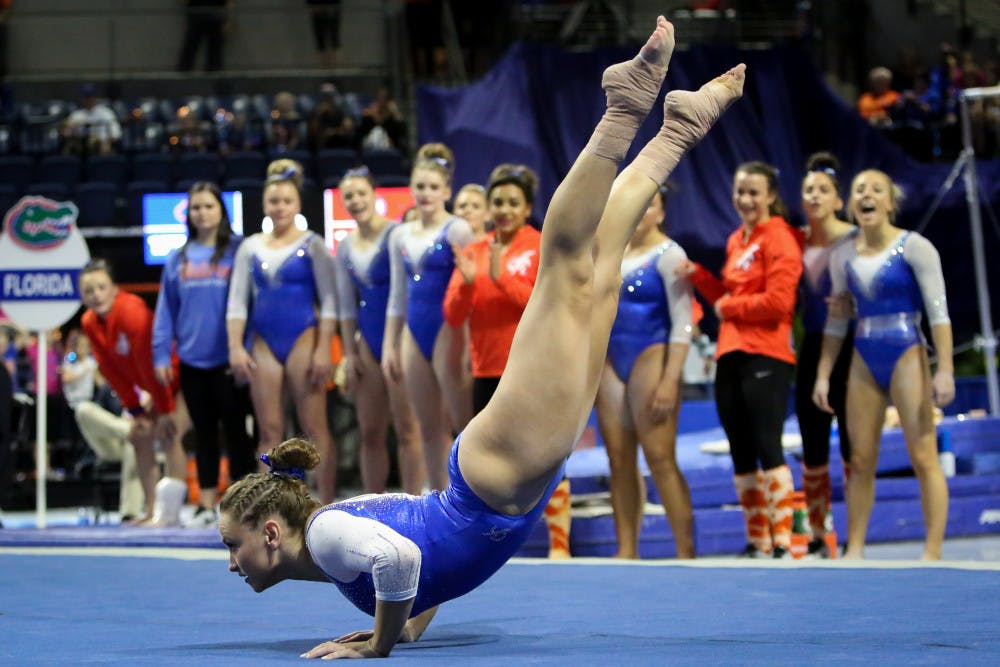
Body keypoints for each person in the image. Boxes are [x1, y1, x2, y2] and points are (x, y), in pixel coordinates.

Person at [219, 17, 746, 658]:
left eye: (232, 544)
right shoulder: (335, 549)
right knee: (599, 270)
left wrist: (381, 644)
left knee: (566, 267)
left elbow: (404, 564)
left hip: (492, 483)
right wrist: (405, 623)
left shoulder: (328, 537)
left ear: (270, 533)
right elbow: (421, 566)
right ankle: (680, 128)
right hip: (496, 489)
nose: (230, 561)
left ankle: (623, 109)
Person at [812, 169, 953, 561]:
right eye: (859, 190)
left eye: (876, 190)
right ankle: (854, 549)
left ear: (890, 203)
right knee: (859, 459)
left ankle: (933, 552)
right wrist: (823, 374)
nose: (867, 195)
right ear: (852, 203)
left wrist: (944, 369)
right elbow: (838, 318)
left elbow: (938, 313)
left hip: (907, 348)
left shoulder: (916, 248)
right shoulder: (842, 255)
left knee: (922, 454)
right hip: (863, 351)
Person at [443, 164, 571, 558]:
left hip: (531, 370)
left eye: (513, 203)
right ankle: (488, 546)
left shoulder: (540, 245)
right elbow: (452, 315)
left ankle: (560, 544)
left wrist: (500, 278)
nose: (504, 209)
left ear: (528, 206)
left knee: (545, 455)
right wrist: (466, 285)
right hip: (487, 369)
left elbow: (544, 303)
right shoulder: (474, 251)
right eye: (497, 202)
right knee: (487, 463)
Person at [681, 161, 803, 559]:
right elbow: (726, 302)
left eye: (754, 192)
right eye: (740, 192)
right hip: (730, 353)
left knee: (767, 444)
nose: (745, 200)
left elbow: (780, 303)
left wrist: (732, 308)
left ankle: (783, 541)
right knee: (739, 448)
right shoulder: (737, 240)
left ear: (770, 196)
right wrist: (699, 276)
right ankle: (757, 540)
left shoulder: (780, 237)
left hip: (767, 352)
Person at [226, 159, 339, 503]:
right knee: (269, 429)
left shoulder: (314, 245)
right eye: (274, 202)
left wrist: (324, 349)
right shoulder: (250, 247)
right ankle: (267, 504)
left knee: (313, 427)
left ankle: (324, 499)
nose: (280, 208)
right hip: (263, 341)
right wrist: (235, 347)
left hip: (304, 336)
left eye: (286, 201)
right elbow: (237, 303)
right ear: (264, 205)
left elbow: (331, 300)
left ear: (297, 204)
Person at [594, 183, 695, 559]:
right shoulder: (608, 254)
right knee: (618, 459)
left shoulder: (671, 256)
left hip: (652, 353)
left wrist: (671, 379)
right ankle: (626, 549)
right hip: (611, 359)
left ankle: (686, 551)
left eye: (649, 205)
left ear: (662, 212)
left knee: (659, 456)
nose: (641, 212)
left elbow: (684, 322)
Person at [153, 182, 257, 528]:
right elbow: (165, 312)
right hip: (191, 359)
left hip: (229, 358)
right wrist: (160, 356)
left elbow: (252, 303)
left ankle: (242, 500)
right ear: (189, 214)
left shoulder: (239, 251)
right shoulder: (177, 258)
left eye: (208, 206)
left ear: (221, 210)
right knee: (203, 431)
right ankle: (207, 502)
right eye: (196, 207)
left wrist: (247, 345)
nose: (202, 213)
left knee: (237, 430)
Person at [384, 143, 475, 490]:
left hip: (448, 328)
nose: (426, 194)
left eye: (433, 187)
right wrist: (390, 345)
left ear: (447, 191)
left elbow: (468, 292)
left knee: (461, 423)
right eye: (420, 186)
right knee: (427, 426)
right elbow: (397, 294)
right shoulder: (400, 234)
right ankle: (437, 495)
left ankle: (468, 495)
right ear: (411, 188)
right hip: (412, 330)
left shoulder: (458, 230)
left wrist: (467, 345)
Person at [331, 167, 425, 495]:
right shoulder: (344, 248)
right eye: (349, 197)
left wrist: (394, 344)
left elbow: (401, 295)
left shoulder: (397, 235)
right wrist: (349, 352)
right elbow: (345, 306)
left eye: (361, 194)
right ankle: (374, 501)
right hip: (367, 343)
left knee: (407, 428)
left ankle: (413, 502)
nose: (356, 201)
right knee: (369, 431)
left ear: (374, 195)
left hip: (399, 339)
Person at [79, 260, 190, 525]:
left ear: (114, 288)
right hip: (152, 386)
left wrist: (163, 409)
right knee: (139, 436)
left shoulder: (131, 312)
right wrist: (135, 410)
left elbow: (149, 363)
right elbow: (110, 370)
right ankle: (151, 510)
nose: (96, 295)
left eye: (101, 287)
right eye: (89, 291)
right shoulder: (89, 322)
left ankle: (170, 514)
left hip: (175, 379)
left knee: (170, 434)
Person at [794, 152, 856, 559]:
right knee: (813, 442)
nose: (814, 196)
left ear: (838, 199)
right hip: (813, 345)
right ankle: (818, 534)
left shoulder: (857, 237)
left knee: (854, 444)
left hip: (855, 348)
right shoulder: (794, 241)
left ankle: (857, 532)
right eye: (808, 190)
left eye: (823, 190)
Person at [60, 83, 122, 155]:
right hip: (80, 150)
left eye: (90, 96)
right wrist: (69, 128)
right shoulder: (76, 115)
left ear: (95, 97)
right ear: (81, 98)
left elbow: (116, 135)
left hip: (101, 150)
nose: (88, 99)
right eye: (85, 96)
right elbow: (64, 132)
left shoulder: (106, 113)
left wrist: (104, 142)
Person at [176, 0, 229, 72]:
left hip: (215, 16)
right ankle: (183, 73)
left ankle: (214, 74)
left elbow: (228, 2)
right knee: (190, 48)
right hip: (197, 15)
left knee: (214, 52)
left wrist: (227, 19)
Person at [307, 0, 342, 68]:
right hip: (320, 7)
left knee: (333, 40)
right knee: (323, 41)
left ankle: (334, 68)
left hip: (331, 6)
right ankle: (325, 67)